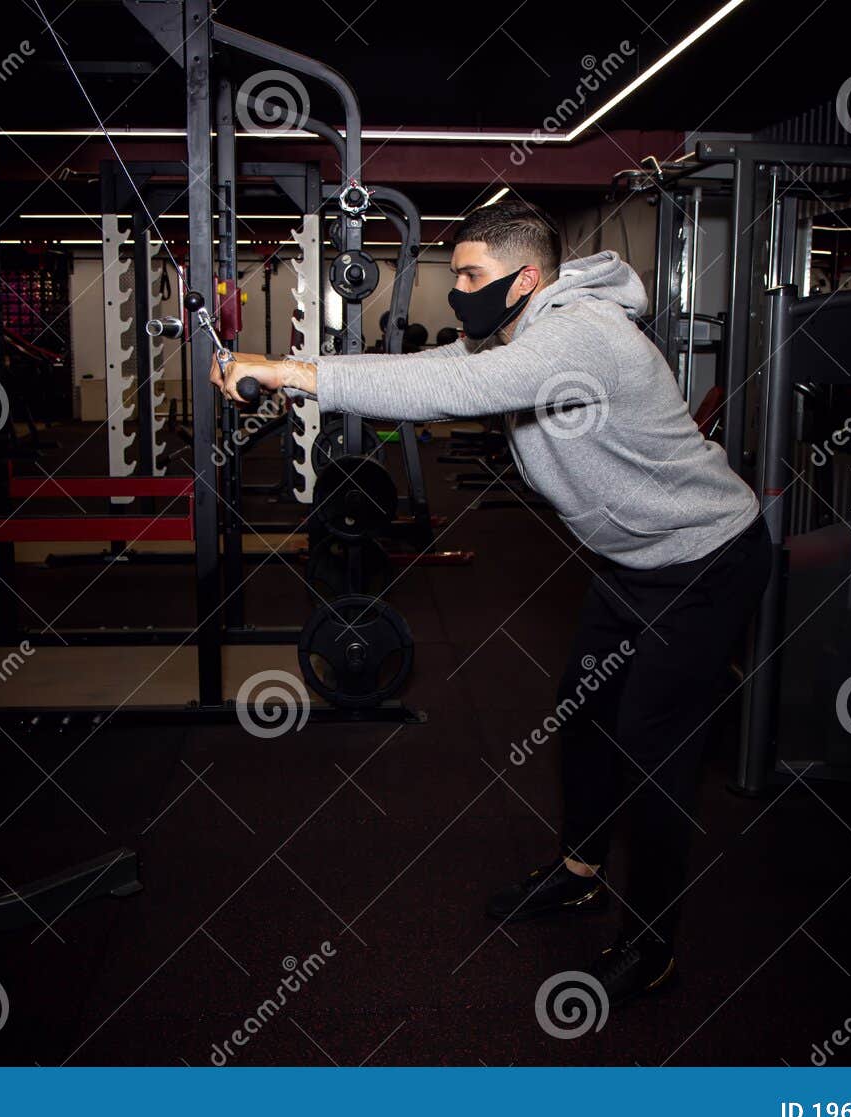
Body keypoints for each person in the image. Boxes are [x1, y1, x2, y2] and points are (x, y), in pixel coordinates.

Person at [211, 200, 769, 1007]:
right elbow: (451, 377)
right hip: (630, 561)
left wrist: (297, 372)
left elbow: (455, 384)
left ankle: (651, 948)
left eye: (472, 275)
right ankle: (580, 873)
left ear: (528, 278)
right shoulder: (518, 327)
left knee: (653, 753)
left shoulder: (581, 333)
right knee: (582, 709)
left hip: (704, 559)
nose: (460, 292)